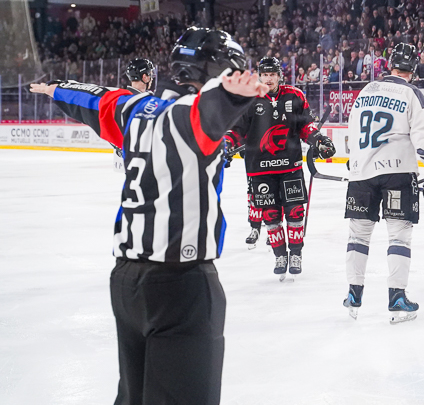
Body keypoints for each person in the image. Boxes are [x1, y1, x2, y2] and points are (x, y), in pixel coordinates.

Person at [29, 27, 267, 405]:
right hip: (180, 284)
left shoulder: (135, 110)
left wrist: (57, 89)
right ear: (218, 71)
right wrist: (232, 94)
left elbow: (96, 99)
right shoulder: (191, 118)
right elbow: (208, 111)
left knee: (134, 397)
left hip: (126, 282)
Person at [343, 43, 424, 324]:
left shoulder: (366, 91)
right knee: (399, 236)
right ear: (413, 69)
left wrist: (356, 161)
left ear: (390, 65)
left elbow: (351, 137)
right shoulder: (411, 93)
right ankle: (397, 298)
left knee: (358, 236)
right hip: (398, 173)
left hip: (361, 173)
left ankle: (354, 293)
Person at [226, 56, 335, 278]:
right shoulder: (248, 98)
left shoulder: (294, 96)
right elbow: (236, 130)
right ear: (259, 76)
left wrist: (318, 140)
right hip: (260, 169)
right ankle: (279, 255)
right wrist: (226, 144)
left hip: (290, 166)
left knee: (295, 213)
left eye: (272, 75)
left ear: (279, 76)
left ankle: (295, 253)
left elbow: (306, 126)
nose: (268, 79)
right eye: (265, 75)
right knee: (272, 217)